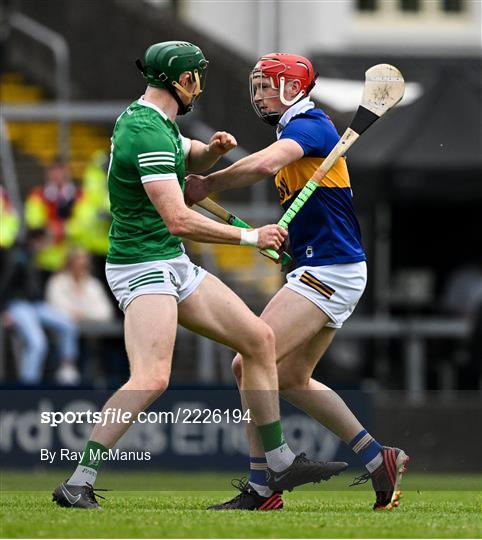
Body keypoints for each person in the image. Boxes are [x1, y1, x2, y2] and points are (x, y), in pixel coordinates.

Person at [52, 41, 347, 510]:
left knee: (258, 340)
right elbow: (179, 219)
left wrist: (211, 151)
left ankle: (279, 460)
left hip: (171, 262)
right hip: (141, 265)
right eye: (198, 76)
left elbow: (190, 159)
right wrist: (252, 240)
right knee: (151, 378)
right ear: (183, 80)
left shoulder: (162, 123)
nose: (201, 85)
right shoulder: (145, 131)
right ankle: (77, 481)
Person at [186, 52, 409, 511]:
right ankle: (377, 458)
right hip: (322, 264)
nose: (260, 94)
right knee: (288, 376)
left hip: (331, 269)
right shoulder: (296, 129)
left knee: (248, 357)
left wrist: (210, 184)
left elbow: (265, 165)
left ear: (294, 87)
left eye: (269, 85)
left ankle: (264, 486)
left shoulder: (310, 124)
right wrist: (289, 246)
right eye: (258, 85)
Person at [0, 229, 80, 385]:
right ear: (37, 240)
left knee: (68, 324)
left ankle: (67, 367)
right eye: (46, 241)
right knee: (38, 343)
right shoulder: (17, 257)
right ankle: (29, 386)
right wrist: (3, 311)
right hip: (18, 305)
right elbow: (4, 285)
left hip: (35, 305)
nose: (48, 245)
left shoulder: (34, 257)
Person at [46, 248, 113, 323]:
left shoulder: (94, 284)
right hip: (64, 325)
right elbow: (54, 307)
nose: (81, 265)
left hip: (90, 328)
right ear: (70, 263)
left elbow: (105, 312)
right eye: (77, 262)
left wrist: (84, 315)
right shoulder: (57, 281)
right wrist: (73, 314)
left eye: (84, 263)